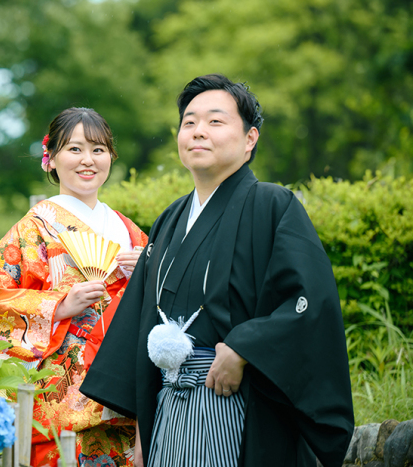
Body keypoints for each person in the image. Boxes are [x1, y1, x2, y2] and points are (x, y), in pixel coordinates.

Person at [80, 74, 354, 467]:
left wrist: (245, 347)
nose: (198, 132)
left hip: (238, 405)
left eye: (215, 121)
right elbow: (139, 327)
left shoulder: (273, 205)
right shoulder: (170, 220)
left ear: (250, 139)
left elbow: (309, 301)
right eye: (188, 123)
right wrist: (143, 431)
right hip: (169, 405)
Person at [0, 107, 149, 467]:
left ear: (111, 158)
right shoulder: (35, 228)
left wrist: (149, 270)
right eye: (74, 149)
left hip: (123, 397)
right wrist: (58, 306)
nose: (88, 160)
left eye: (99, 150)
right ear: (50, 159)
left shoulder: (130, 232)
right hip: (61, 398)